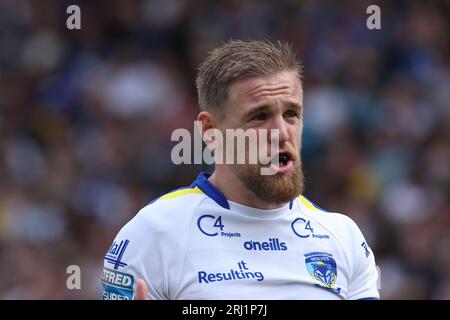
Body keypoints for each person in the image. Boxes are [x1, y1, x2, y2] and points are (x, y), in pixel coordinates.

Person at [101, 39, 380, 300]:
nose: (282, 133)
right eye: (260, 117)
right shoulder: (153, 233)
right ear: (210, 131)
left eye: (291, 114)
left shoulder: (343, 238)